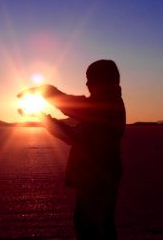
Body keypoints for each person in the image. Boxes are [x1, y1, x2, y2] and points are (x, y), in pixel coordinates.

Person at [17, 59, 126, 239]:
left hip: (99, 177)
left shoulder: (107, 105)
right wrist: (40, 117)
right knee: (89, 223)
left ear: (104, 80)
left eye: (91, 79)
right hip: (92, 176)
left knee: (95, 226)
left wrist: (45, 90)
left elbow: (72, 107)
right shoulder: (102, 106)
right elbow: (73, 136)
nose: (87, 83)